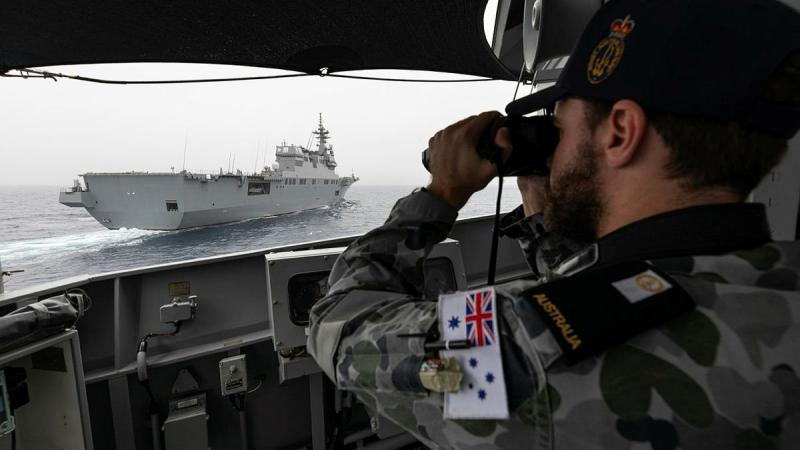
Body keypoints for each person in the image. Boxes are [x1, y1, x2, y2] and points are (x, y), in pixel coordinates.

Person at [308, 0, 800, 448]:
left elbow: (336, 324)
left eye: (560, 129)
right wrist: (543, 214)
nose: (554, 150)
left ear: (621, 132)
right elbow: (614, 290)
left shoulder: (521, 347)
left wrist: (442, 193)